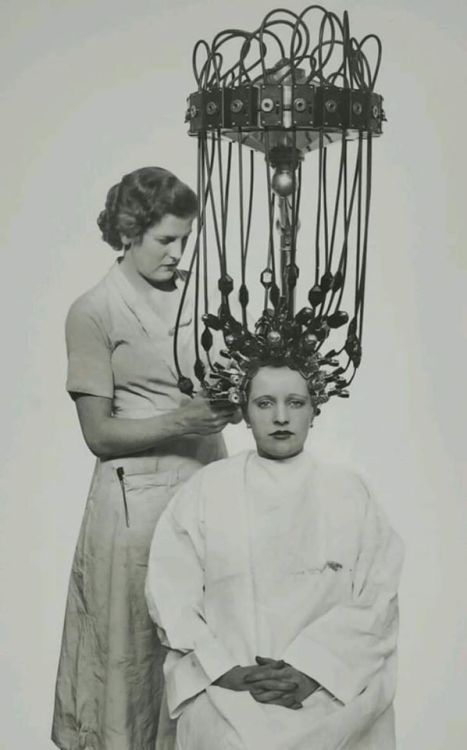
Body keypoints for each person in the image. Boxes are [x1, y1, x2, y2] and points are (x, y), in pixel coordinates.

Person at [52, 167, 238, 750]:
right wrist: (179, 422)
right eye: (166, 240)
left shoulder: (200, 300)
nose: (179, 253)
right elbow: (98, 434)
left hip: (206, 492)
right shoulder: (93, 311)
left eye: (186, 239)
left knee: (205, 651)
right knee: (134, 658)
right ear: (129, 233)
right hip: (132, 513)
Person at [145, 361, 404, 750]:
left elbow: (376, 601)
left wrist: (311, 670)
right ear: (245, 413)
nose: (280, 417)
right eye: (264, 403)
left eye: (295, 402)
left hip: (332, 685)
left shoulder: (350, 492)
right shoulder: (207, 491)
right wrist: (228, 671)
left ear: (314, 410)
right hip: (229, 689)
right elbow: (171, 594)